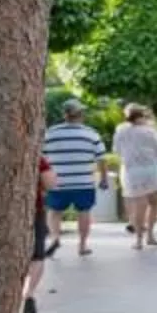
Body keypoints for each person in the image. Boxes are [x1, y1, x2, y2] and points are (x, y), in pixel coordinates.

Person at [40, 98, 106, 256]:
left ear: (64, 114)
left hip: (57, 182)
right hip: (83, 182)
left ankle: (55, 238)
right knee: (84, 212)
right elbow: (101, 158)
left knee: (54, 211)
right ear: (81, 114)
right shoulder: (91, 134)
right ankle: (82, 245)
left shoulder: (50, 133)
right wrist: (103, 178)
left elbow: (41, 157)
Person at [113, 103, 157, 249]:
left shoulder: (121, 130)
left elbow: (116, 150)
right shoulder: (150, 131)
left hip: (131, 171)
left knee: (138, 205)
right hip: (150, 169)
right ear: (141, 116)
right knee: (153, 203)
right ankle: (150, 235)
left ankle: (138, 240)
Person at [24, 154, 53, 313]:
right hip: (33, 211)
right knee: (37, 256)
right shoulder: (35, 157)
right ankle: (28, 293)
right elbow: (50, 183)